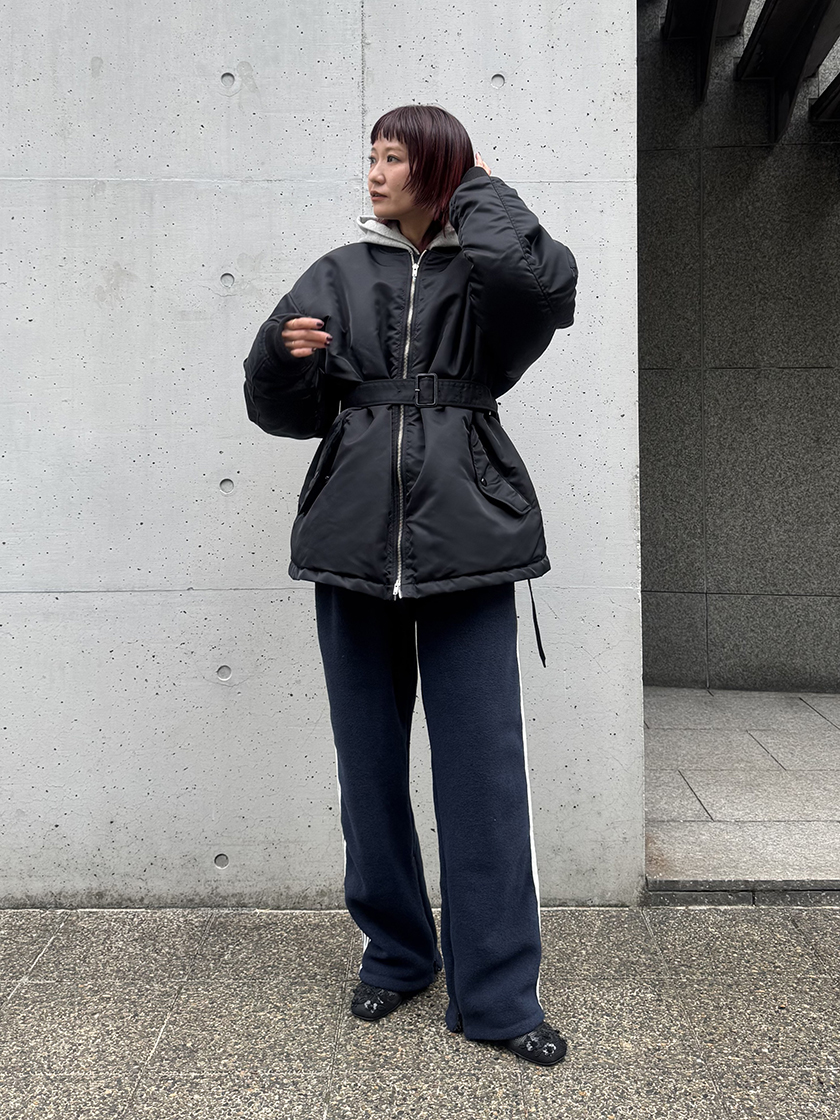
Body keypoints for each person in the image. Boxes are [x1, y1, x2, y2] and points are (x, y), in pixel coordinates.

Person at [242, 104, 578, 1066]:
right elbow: (282, 411)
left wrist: (477, 184)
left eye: (396, 158)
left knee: (483, 776)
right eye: (374, 156)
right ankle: (397, 957)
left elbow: (547, 284)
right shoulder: (340, 272)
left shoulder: (490, 275)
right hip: (352, 545)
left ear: (438, 170)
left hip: (470, 542)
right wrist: (278, 361)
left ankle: (499, 998)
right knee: (369, 770)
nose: (376, 173)